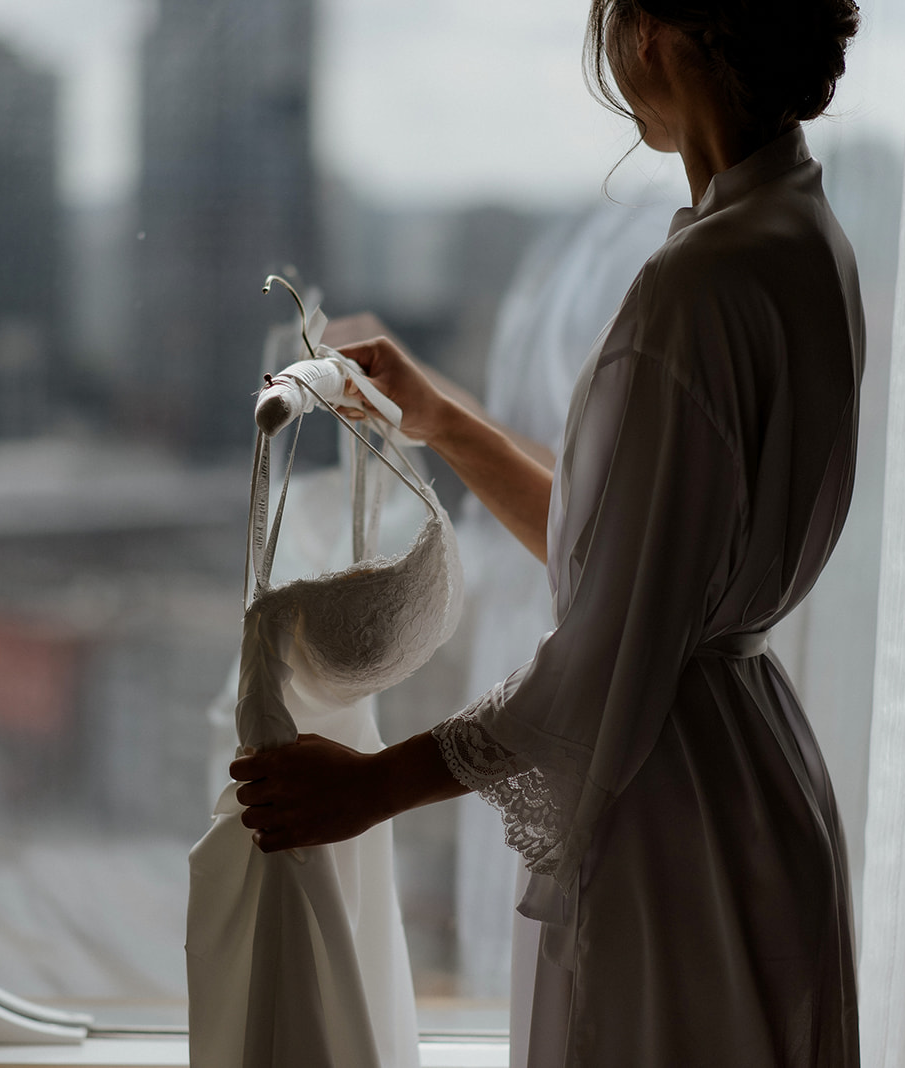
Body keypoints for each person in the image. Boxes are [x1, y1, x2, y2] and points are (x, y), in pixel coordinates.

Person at [230, 0, 865, 1062]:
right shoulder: (798, 237)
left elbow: (605, 660)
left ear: (658, 33)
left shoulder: (694, 288)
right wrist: (442, 423)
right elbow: (643, 555)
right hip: (752, 785)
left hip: (668, 823)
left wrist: (371, 787)